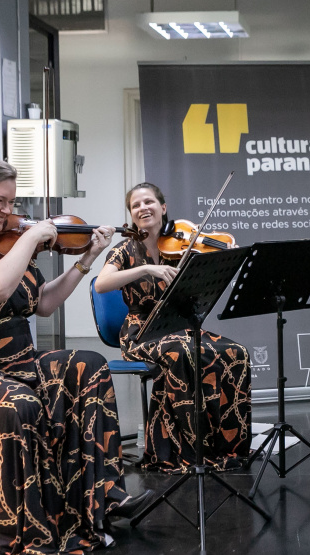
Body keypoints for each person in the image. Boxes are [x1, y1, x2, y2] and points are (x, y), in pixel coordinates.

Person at [0, 158, 153, 554]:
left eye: (12, 203)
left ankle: (103, 497)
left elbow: (42, 303)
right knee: (17, 402)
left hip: (16, 361)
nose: (8, 212)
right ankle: (32, 532)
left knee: (87, 365)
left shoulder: (3, 245)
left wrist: (87, 258)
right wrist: (32, 238)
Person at [94, 182, 252, 473]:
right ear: (130, 213)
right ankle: (187, 452)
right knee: (183, 353)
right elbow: (102, 284)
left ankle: (228, 447)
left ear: (163, 208)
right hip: (142, 331)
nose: (143, 208)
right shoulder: (125, 249)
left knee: (235, 352)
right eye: (136, 205)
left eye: (149, 202)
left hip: (178, 326)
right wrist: (146, 268)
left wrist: (222, 255)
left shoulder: (182, 246)